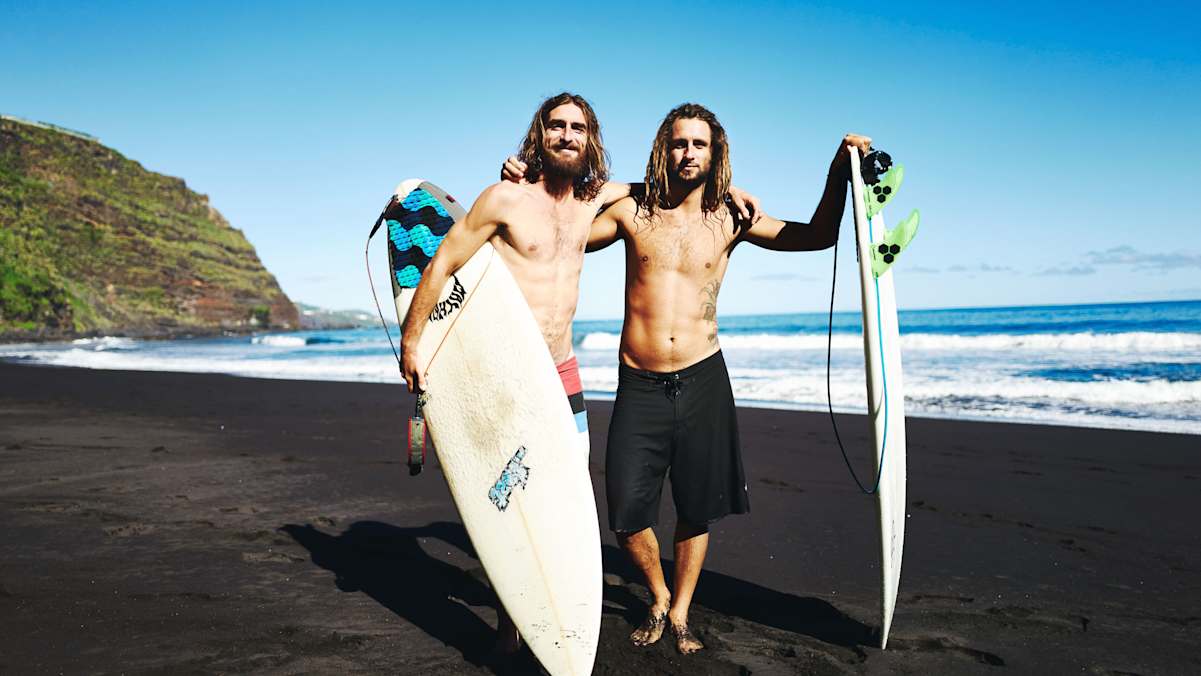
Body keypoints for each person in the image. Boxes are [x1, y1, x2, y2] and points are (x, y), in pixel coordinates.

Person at [399, 92, 758, 656]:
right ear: (538, 135)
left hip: (562, 374)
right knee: (505, 498)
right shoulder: (504, 199)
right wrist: (412, 339)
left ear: (591, 141)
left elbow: (664, 192)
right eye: (556, 126)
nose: (567, 136)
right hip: (509, 371)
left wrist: (722, 191)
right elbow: (444, 260)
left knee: (562, 496)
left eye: (578, 128)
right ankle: (508, 619)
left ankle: (555, 607)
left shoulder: (597, 200)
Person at [504, 102, 870, 654]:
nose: (688, 153)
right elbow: (560, 230)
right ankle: (655, 592)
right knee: (627, 514)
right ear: (664, 149)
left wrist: (839, 173)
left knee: (696, 508)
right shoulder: (634, 213)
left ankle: (677, 610)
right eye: (679, 143)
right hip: (640, 383)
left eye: (700, 144)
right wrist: (529, 182)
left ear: (715, 151)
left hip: (703, 380)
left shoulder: (731, 218)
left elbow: (817, 236)